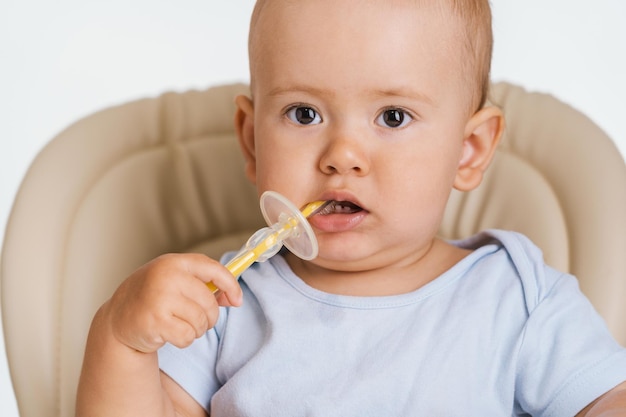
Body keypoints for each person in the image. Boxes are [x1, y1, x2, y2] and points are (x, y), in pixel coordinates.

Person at [75, 0, 626, 416]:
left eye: (392, 117)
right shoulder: (219, 307)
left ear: (469, 150)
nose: (342, 156)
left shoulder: (519, 298)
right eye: (304, 114)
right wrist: (121, 340)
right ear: (251, 142)